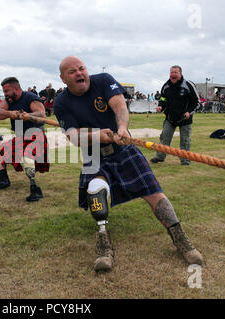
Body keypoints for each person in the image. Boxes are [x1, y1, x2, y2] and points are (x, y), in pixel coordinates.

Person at [53, 56, 202, 272]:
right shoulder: (61, 102)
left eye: (81, 68)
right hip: (94, 156)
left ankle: (181, 240)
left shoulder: (103, 80)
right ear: (63, 78)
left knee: (153, 192)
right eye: (72, 72)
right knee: (95, 192)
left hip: (124, 149)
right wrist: (98, 135)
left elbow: (120, 107)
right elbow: (73, 137)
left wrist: (122, 128)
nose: (79, 73)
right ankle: (104, 245)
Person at [0, 76, 49, 202]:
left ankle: (34, 189)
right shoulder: (9, 100)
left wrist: (27, 115)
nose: (5, 94)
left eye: (6, 91)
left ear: (16, 89)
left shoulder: (30, 97)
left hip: (35, 136)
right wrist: (10, 113)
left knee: (28, 158)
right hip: (21, 137)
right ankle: (3, 179)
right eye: (4, 91)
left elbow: (41, 113)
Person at [150, 65, 199, 166]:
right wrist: (160, 106)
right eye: (172, 72)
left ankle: (185, 160)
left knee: (185, 140)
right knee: (164, 137)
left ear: (180, 74)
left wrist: (189, 112)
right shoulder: (166, 86)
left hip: (185, 118)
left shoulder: (188, 85)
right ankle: (160, 157)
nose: (173, 74)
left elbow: (196, 101)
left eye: (176, 72)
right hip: (170, 118)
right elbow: (163, 99)